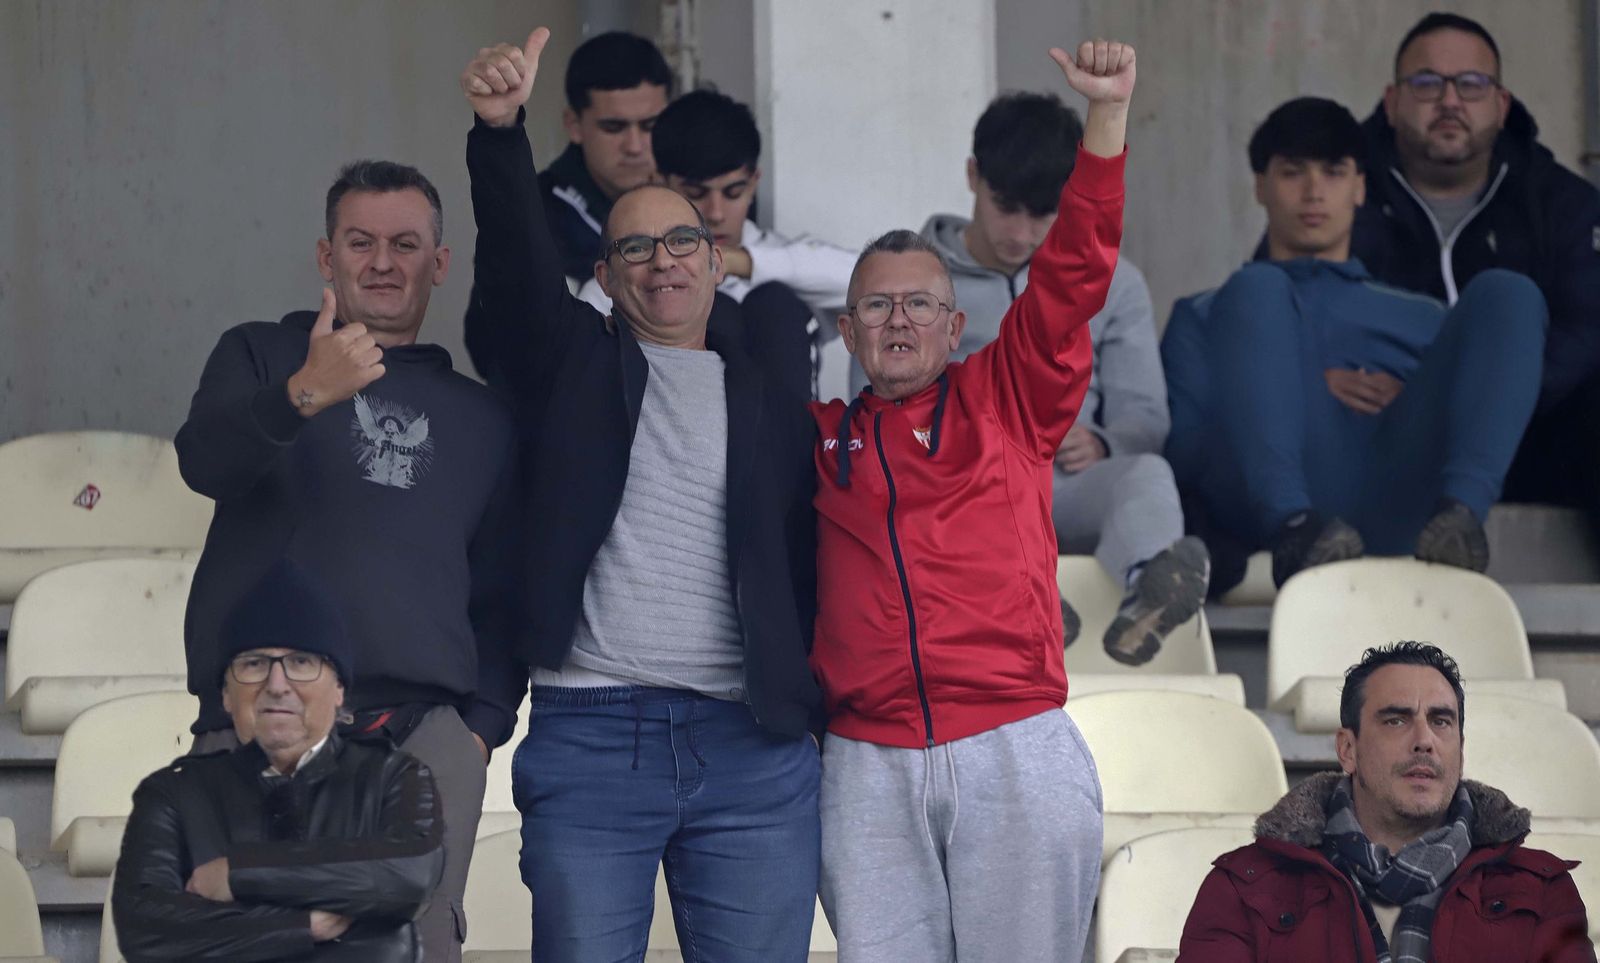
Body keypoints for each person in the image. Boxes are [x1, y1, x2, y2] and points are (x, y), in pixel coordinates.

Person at [460, 27, 824, 962]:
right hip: (593, 731)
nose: (663, 262)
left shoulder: (770, 386)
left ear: (714, 255)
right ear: (605, 276)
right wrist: (499, 133)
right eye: (637, 249)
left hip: (753, 744)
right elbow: (511, 271)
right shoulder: (574, 366)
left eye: (681, 241)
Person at [808, 39, 1133, 961]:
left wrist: (1105, 120)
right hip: (865, 759)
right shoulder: (814, 436)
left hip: (1013, 739)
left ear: (957, 327)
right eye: (876, 307)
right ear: (846, 329)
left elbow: (1073, 274)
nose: (898, 321)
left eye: (919, 306)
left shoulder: (1010, 394)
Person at [174, 159, 517, 963]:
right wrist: (301, 391)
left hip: (425, 734)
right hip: (263, 717)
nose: (383, 262)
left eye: (406, 244)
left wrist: (482, 728)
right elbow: (203, 463)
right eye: (360, 242)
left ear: (440, 263)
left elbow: (501, 589)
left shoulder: (484, 415)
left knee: (416, 944)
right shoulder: (261, 354)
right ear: (326, 257)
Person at [1162, 97, 1546, 592]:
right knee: (1257, 288)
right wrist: (1290, 392)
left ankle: (1462, 520)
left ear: (1360, 188)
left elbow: (1484, 413)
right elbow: (1186, 454)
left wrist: (1409, 399)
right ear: (1260, 186)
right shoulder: (1206, 313)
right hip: (1273, 498)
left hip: (1400, 492)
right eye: (1292, 172)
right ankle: (1296, 530)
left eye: (1334, 172)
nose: (1313, 192)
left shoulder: (1423, 316)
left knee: (1509, 293)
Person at [912, 88, 1207, 664]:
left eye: (1043, 214)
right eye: (1006, 207)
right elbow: (873, 406)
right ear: (974, 176)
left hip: (1062, 483)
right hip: (960, 485)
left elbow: (1145, 416)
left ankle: (1145, 599)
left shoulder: (1115, 283)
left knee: (1146, 472)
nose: (1021, 233)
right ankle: (1027, 602)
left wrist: (1104, 441)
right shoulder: (910, 274)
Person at [112, 560, 444, 962]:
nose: (276, 685)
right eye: (253, 664)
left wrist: (237, 874)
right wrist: (300, 927)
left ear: (339, 688)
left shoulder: (391, 777)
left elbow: (409, 876)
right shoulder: (175, 794)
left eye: (301, 662)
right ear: (226, 696)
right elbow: (147, 932)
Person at [1178, 642, 1595, 962]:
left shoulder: (1542, 889)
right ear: (1348, 749)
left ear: (1461, 751)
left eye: (1441, 721)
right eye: (1396, 720)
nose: (1424, 741)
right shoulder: (1244, 886)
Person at [1350, 12, 1600, 537]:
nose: (1449, 101)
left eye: (1471, 83)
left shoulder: (1560, 203)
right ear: (1392, 103)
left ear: (1500, 105)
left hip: (1533, 440)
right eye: (1426, 83)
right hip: (1391, 436)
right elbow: (1291, 299)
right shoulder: (1340, 193)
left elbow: (1587, 328)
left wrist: (1483, 400)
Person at [578, 88, 857, 402]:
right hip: (676, 439)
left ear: (754, 182)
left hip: (794, 442)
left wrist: (740, 262)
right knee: (718, 311)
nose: (716, 213)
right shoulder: (628, 279)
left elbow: (875, 284)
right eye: (696, 193)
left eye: (733, 192)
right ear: (659, 181)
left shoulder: (790, 263)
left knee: (775, 304)